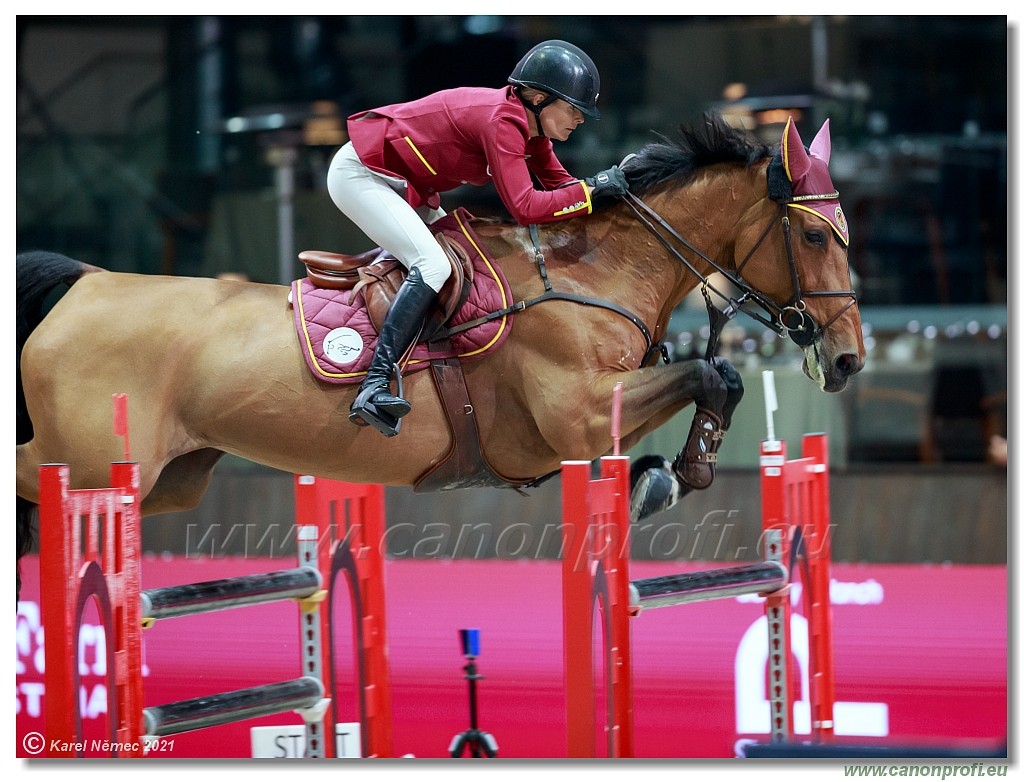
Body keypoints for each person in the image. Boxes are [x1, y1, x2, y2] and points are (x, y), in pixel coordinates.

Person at [327, 39, 629, 437]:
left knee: (467, 255)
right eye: (574, 108)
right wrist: (592, 190)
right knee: (432, 264)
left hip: (404, 187)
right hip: (362, 175)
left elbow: (563, 187)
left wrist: (609, 195)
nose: (581, 119)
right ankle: (374, 384)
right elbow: (525, 206)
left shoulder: (531, 129)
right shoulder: (501, 121)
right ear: (538, 98)